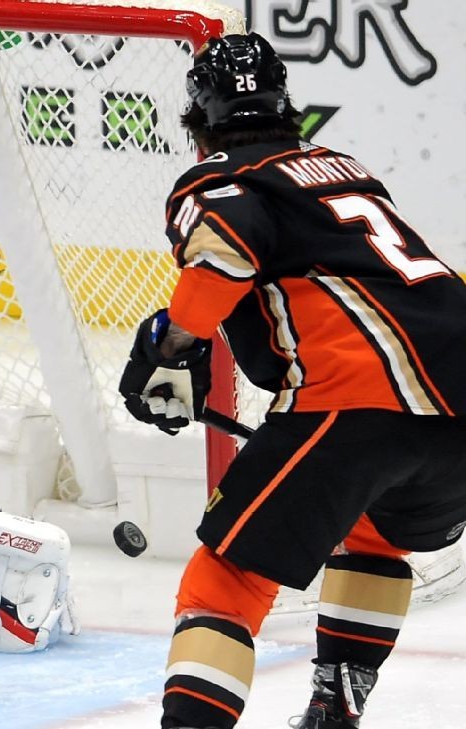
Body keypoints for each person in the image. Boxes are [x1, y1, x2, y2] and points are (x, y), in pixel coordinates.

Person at [118, 33, 466, 729]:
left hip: (360, 395)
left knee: (223, 581)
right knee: (373, 531)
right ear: (287, 106)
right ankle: (335, 708)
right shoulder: (343, 167)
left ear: (198, 121)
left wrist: (172, 342)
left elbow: (228, 245)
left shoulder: (219, 177)